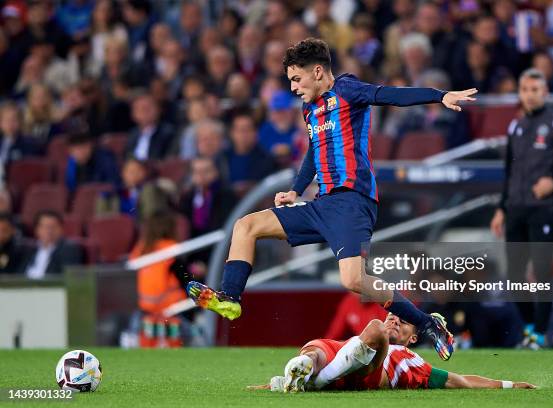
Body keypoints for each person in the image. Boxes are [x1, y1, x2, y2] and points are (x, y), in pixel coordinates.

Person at [188, 38, 477, 361]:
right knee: (246, 225)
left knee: (353, 279)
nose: (294, 87)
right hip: (321, 205)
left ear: (316, 71)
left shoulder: (348, 89)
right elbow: (314, 150)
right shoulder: (309, 109)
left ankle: (427, 324)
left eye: (296, 79)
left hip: (353, 201)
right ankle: (230, 298)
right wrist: (296, 190)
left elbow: (387, 95)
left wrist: (439, 96)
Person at [490, 68, 553, 349]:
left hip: (544, 208)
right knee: (515, 275)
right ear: (520, 93)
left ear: (545, 92)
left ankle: (539, 334)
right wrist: (501, 208)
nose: (530, 95)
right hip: (516, 209)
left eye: (535, 90)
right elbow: (509, 172)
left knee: (543, 271)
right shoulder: (515, 126)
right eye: (525, 90)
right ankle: (532, 328)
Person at [250, 313, 536, 392]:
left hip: (373, 371)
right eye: (394, 315)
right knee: (315, 350)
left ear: (413, 338)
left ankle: (313, 377)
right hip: (348, 351)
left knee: (373, 330)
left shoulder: (411, 359)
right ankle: (307, 371)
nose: (395, 318)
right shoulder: (363, 335)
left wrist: (507, 384)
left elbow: (457, 380)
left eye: (404, 320)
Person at [23, 210, 84, 278]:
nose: (49, 231)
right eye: (45, 227)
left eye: (53, 227)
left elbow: (68, 277)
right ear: (37, 229)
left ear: (61, 229)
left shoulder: (69, 250)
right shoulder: (28, 249)